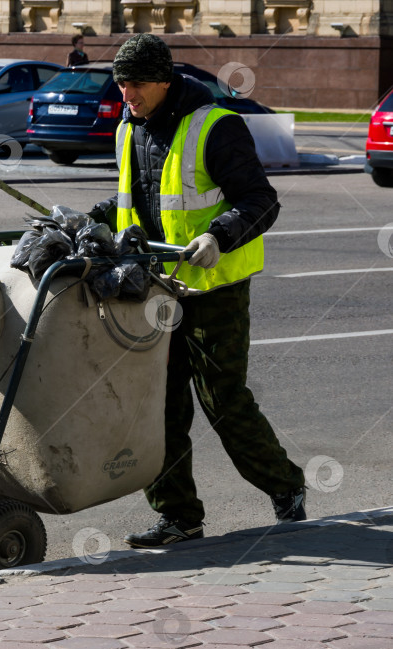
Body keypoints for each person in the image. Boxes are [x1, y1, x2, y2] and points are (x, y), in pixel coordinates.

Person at [87, 34, 307, 548]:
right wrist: (91, 218)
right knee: (159, 406)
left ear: (164, 80)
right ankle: (178, 517)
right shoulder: (130, 128)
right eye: (121, 83)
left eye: (136, 83)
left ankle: (287, 485)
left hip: (214, 289)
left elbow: (260, 200)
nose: (127, 94)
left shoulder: (216, 126)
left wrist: (219, 234)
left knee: (223, 400)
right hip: (155, 290)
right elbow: (134, 198)